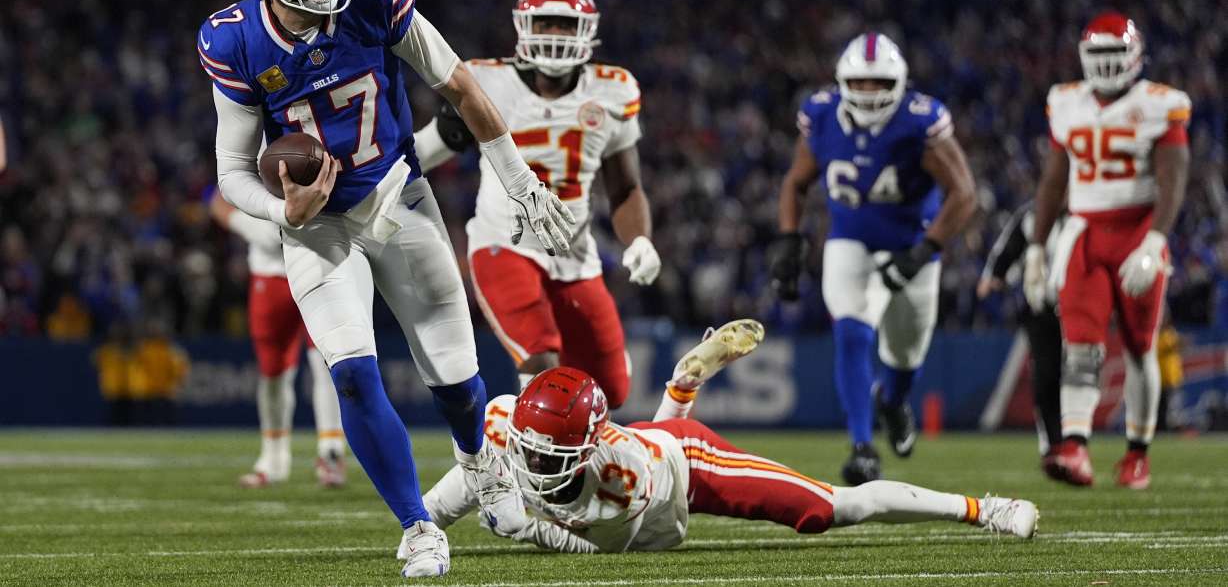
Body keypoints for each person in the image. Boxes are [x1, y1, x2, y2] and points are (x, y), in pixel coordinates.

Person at [201, 0, 574, 577]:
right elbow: (230, 170)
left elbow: (459, 84)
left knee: (456, 381)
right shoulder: (233, 40)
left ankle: (479, 470)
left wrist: (519, 182)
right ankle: (419, 525)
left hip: (399, 199)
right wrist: (284, 213)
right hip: (318, 227)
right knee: (349, 373)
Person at [419, 326, 1038, 555]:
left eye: (545, 455)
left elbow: (612, 544)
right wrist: (426, 523)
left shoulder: (618, 483)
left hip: (683, 467)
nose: (530, 460)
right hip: (645, 443)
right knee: (457, 501)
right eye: (527, 448)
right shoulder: (508, 421)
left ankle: (984, 509)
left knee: (830, 508)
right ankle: (683, 384)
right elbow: (476, 464)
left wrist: (520, 522)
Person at [414, 0, 659, 406]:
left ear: (588, 31)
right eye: (546, 23)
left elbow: (625, 187)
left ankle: (574, 462)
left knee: (612, 391)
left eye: (565, 25)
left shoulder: (613, 89)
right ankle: (530, 464)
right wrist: (369, 174)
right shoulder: (485, 81)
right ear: (524, 26)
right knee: (540, 357)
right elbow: (426, 149)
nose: (555, 35)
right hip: (503, 244)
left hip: (574, 257)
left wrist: (639, 239)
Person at [770, 33, 977, 484]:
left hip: (912, 245)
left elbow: (965, 194)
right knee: (850, 327)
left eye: (879, 83)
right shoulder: (821, 114)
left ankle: (893, 401)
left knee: (905, 355)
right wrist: (789, 240)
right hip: (851, 240)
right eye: (860, 83)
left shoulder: (919, 121)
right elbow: (795, 182)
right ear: (843, 82)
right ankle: (862, 446)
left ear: (898, 83)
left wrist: (925, 251)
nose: (868, 93)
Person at [1026, 11, 1190, 490]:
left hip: (1138, 231)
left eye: (1114, 53)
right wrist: (1037, 245)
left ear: (1135, 55)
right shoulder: (1066, 101)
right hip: (1086, 233)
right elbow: (1054, 178)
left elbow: (1173, 179)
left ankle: (1137, 454)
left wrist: (1156, 240)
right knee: (1080, 343)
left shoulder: (1161, 103)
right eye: (1097, 53)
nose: (1106, 64)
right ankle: (1075, 447)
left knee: (1141, 348)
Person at [209, 190, 347, 489]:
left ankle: (331, 452)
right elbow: (218, 200)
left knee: (327, 363)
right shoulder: (250, 144)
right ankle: (273, 460)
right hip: (270, 274)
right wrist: (257, 228)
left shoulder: (322, 143)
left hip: (320, 266)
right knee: (273, 373)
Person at [977, 200, 1066, 478]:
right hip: (1039, 307)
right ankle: (1052, 444)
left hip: (1080, 307)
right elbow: (1009, 245)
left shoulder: (1088, 211)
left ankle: (1074, 442)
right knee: (1046, 375)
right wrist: (994, 275)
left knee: (1076, 374)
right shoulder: (1031, 215)